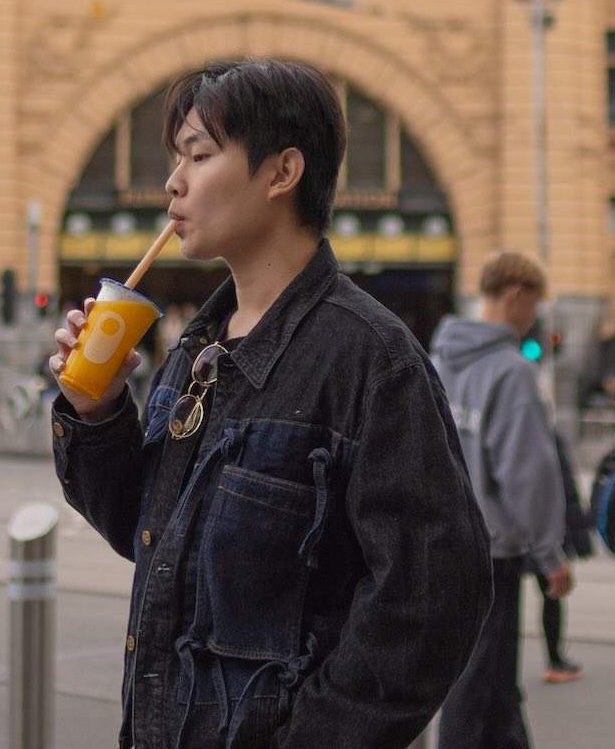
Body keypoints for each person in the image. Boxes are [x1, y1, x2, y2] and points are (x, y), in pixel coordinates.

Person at [48, 59, 490, 749]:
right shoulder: (198, 348)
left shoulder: (371, 360)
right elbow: (149, 533)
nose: (174, 181)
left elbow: (434, 599)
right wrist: (98, 412)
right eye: (176, 158)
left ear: (282, 173)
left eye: (199, 155)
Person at [429, 251, 572, 749]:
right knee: (476, 690)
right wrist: (550, 553)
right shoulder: (511, 372)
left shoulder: (435, 362)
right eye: (533, 306)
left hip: (442, 544)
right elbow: (526, 472)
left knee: (490, 688)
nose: (533, 320)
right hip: (492, 552)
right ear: (515, 296)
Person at [540, 428, 594, 685]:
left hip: (507, 528)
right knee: (552, 593)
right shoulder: (546, 434)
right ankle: (554, 660)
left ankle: (494, 669)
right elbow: (565, 487)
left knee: (502, 602)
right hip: (544, 529)